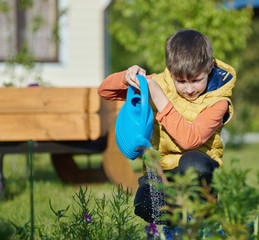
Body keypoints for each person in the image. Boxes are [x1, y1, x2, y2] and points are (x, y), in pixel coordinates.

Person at [98, 29, 236, 235]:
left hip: (199, 168)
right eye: (181, 81)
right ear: (171, 71)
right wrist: (127, 77)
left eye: (196, 80)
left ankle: (204, 225)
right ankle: (173, 231)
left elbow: (191, 140)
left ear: (209, 68)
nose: (189, 89)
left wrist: (159, 98)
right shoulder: (161, 82)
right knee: (145, 203)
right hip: (164, 170)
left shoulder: (219, 100)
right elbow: (105, 91)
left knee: (193, 164)